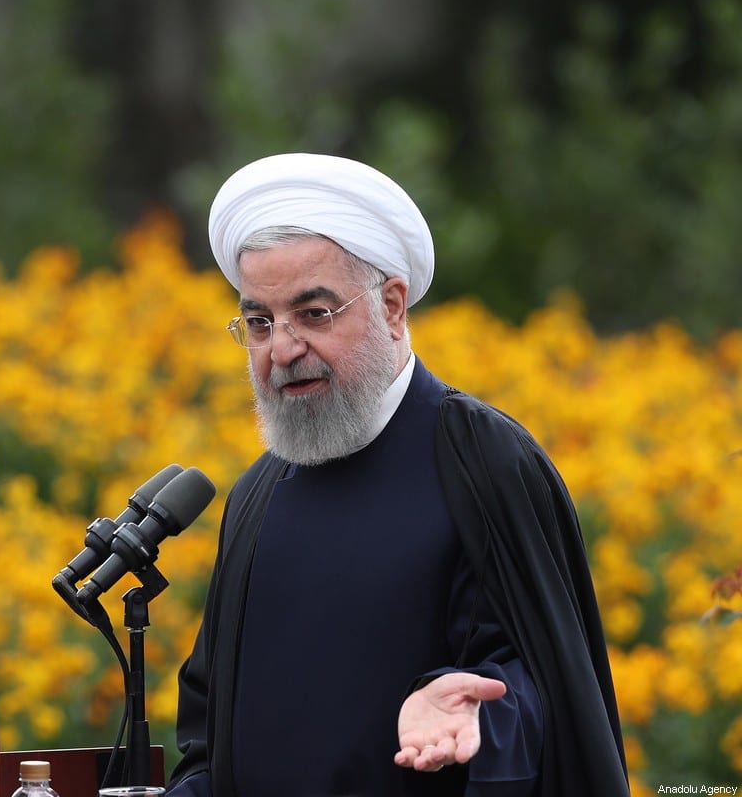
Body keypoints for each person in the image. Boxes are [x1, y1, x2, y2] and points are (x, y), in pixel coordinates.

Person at [166, 153, 630, 797]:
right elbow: (212, 735)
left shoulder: (482, 460)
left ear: (391, 305)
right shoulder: (257, 495)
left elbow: (546, 690)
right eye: (259, 322)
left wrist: (473, 714)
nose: (282, 348)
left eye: (314, 313)